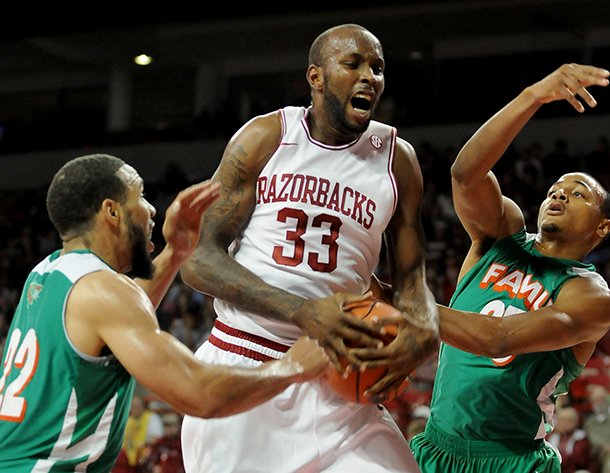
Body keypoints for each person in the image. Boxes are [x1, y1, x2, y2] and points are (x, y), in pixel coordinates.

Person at [179, 23, 439, 473]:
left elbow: (411, 279)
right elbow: (199, 260)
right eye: (352, 64)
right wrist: (302, 311)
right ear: (315, 77)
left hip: (339, 380)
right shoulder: (266, 138)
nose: (369, 78)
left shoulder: (398, 159)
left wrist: (425, 326)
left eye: (377, 68)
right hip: (249, 365)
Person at [0, 153, 332, 472]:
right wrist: (293, 367)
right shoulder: (103, 290)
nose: (150, 210)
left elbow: (125, 312)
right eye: (140, 196)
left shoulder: (49, 273)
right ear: (112, 212)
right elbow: (198, 393)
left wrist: (176, 252)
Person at [409, 63, 610, 473]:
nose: (560, 196)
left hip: (511, 460)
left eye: (578, 194)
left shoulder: (591, 296)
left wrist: (403, 302)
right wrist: (532, 95)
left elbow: (499, 340)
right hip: (436, 446)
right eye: (555, 190)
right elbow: (465, 175)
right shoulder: (500, 236)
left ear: (602, 227)